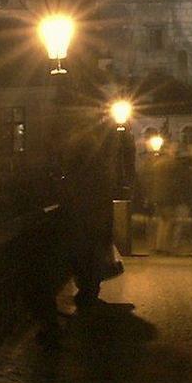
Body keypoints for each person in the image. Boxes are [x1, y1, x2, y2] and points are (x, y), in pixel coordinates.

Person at [59, 118, 122, 307]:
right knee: (93, 252)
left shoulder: (78, 166)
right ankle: (90, 289)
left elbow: (71, 186)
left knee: (82, 253)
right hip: (96, 215)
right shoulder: (99, 166)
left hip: (82, 215)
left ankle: (86, 289)